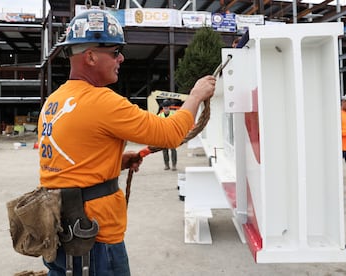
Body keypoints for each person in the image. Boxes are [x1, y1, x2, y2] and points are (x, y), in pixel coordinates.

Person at [37, 9, 216, 276]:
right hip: (94, 240)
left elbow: (66, 164)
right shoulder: (102, 102)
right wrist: (195, 96)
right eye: (115, 50)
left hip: (61, 230)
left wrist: (116, 162)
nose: (121, 57)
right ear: (91, 55)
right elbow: (170, 133)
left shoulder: (54, 101)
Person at [158, 99, 178, 171]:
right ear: (163, 108)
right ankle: (166, 165)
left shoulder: (174, 114)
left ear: (169, 108)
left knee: (173, 150)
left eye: (167, 108)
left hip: (172, 135)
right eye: (164, 108)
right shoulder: (159, 115)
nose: (166, 109)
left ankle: (174, 165)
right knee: (164, 151)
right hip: (164, 135)